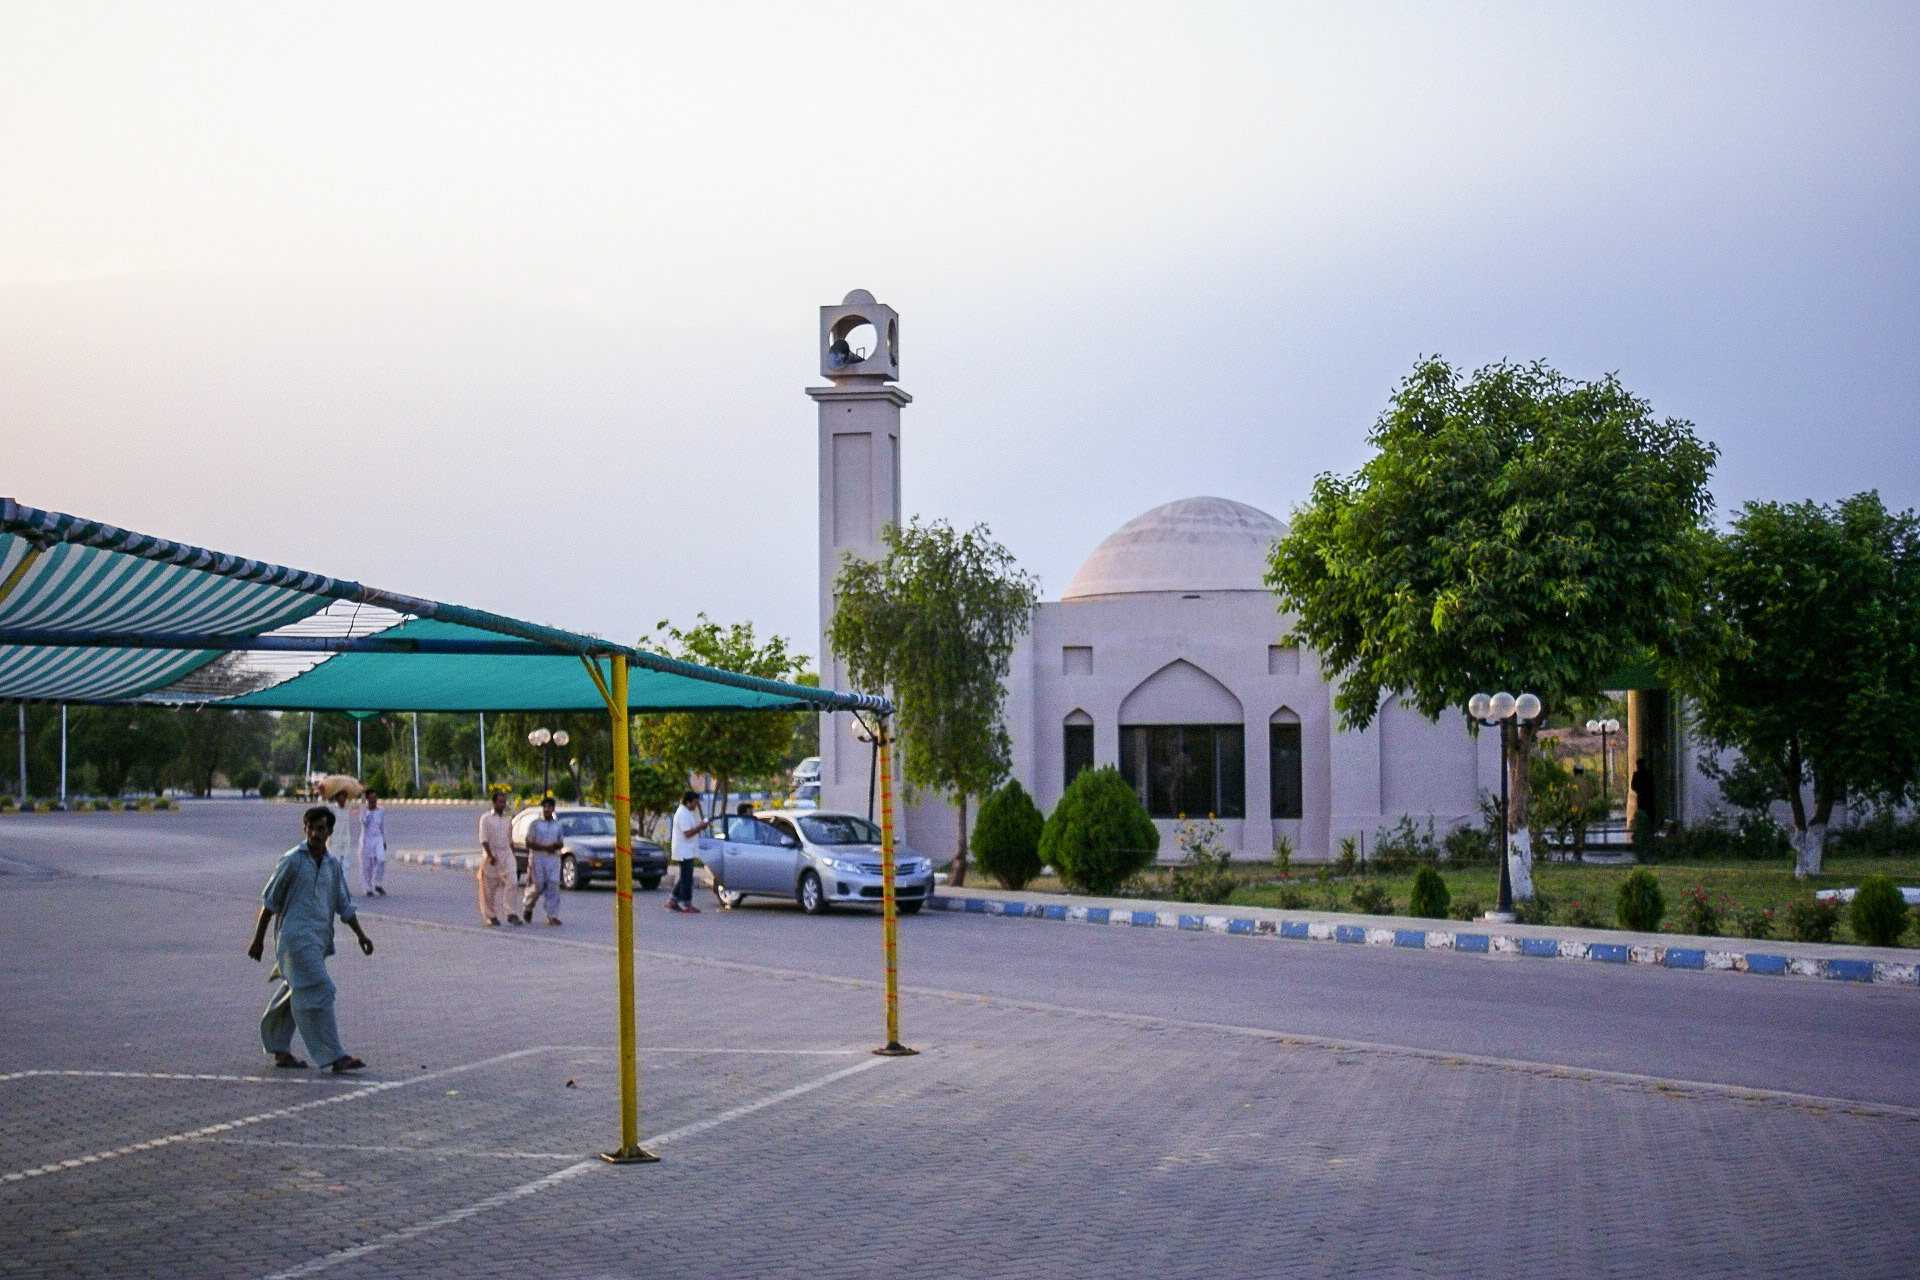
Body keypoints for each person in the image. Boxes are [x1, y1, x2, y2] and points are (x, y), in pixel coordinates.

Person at [247, 806, 374, 1073]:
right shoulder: (292, 861)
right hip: (294, 940)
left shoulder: (332, 866)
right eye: (311, 828)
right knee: (320, 989)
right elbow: (269, 902)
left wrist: (361, 935)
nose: (316, 833)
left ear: (329, 831)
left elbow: (344, 905)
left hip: (317, 941)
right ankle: (335, 1056)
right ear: (304, 830)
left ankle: (279, 1047)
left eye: (321, 828)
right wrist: (258, 940)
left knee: (297, 990)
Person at [475, 790, 521, 926]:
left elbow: (509, 839)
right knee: (489, 888)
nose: (502, 804)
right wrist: (490, 855)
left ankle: (510, 913)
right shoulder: (486, 818)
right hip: (491, 855)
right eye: (500, 801)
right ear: (494, 803)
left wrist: (512, 855)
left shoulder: (507, 820)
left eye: (504, 801)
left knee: (513, 881)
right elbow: (483, 839)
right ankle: (491, 916)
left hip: (506, 853)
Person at [521, 796, 564, 926]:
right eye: (545, 807)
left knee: (553, 885)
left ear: (553, 809)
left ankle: (551, 915)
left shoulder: (558, 825)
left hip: (552, 859)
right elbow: (529, 843)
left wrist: (553, 846)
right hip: (537, 858)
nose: (547, 810)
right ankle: (528, 906)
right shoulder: (535, 824)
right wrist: (545, 846)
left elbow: (560, 843)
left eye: (549, 807)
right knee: (537, 886)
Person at [668, 790, 709, 914]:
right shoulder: (682, 814)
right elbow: (687, 833)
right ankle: (685, 903)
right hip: (683, 850)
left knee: (685, 876)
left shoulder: (687, 813)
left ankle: (673, 899)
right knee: (687, 879)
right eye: (695, 802)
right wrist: (700, 828)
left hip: (688, 850)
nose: (696, 805)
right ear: (688, 802)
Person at [358, 790, 388, 897]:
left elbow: (382, 827)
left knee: (381, 860)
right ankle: (367, 888)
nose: (373, 800)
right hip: (367, 840)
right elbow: (364, 822)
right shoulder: (364, 811)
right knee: (367, 865)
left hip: (378, 838)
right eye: (371, 798)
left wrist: (384, 841)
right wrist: (368, 812)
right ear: (367, 800)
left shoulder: (380, 811)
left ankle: (378, 883)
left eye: (375, 798)